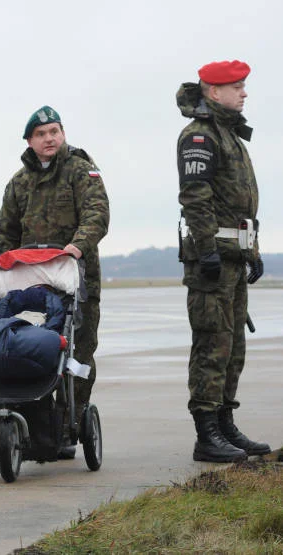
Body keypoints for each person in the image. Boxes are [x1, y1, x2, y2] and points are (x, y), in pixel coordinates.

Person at [0, 106, 110, 458]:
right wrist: (1, 269)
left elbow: (97, 213)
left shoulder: (81, 170)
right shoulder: (18, 182)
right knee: (27, 348)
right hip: (30, 279)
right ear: (30, 141)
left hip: (76, 277)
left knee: (78, 350)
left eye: (55, 131)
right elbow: (7, 231)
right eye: (42, 134)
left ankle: (67, 425)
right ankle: (31, 420)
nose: (50, 139)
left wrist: (78, 246)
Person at [176, 60, 269, 462]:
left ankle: (225, 423)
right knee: (212, 344)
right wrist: (208, 249)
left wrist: (252, 250)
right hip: (211, 261)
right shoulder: (199, 136)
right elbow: (195, 197)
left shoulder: (229, 135)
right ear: (215, 92)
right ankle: (206, 432)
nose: (244, 93)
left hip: (233, 257)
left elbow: (239, 205)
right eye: (237, 87)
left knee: (233, 347)